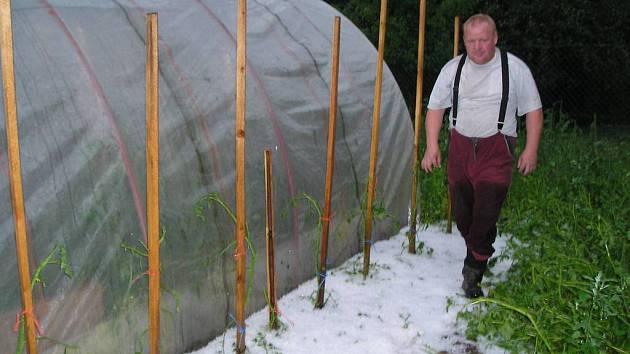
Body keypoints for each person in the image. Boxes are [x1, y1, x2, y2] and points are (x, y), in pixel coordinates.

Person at [421, 14, 543, 298]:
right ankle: (479, 245)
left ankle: (473, 271)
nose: (477, 47)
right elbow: (435, 108)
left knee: (487, 209)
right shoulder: (453, 69)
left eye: (483, 40)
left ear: (495, 38)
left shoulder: (514, 69)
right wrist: (431, 146)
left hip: (497, 148)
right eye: (471, 41)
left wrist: (531, 149)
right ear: (464, 42)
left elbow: (533, 111)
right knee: (464, 214)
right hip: (460, 147)